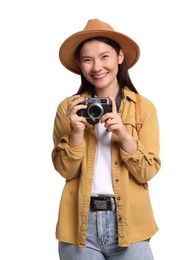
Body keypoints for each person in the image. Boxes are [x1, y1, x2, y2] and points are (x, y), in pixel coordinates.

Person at [51, 18, 161, 260]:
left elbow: (147, 172)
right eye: (88, 59)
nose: (97, 67)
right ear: (80, 64)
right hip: (79, 224)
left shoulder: (143, 109)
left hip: (130, 223)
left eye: (104, 56)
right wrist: (76, 133)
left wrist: (123, 134)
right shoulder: (68, 108)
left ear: (120, 57)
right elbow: (65, 170)